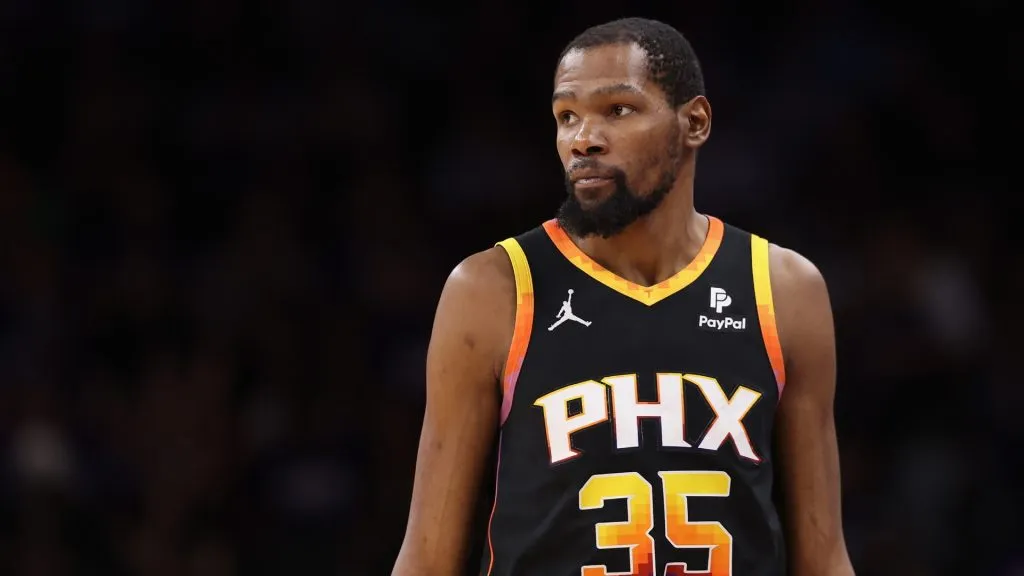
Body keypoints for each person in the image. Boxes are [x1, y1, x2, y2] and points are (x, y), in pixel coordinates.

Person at [392, 16, 855, 576]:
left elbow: (823, 555)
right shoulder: (493, 289)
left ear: (695, 122)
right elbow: (427, 557)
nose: (583, 138)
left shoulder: (783, 289)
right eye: (567, 117)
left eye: (618, 110)